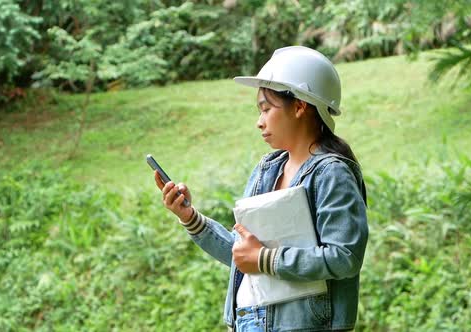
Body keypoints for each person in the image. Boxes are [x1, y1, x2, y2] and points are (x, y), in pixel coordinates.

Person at [154, 46, 368, 332]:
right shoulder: (267, 169)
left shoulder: (332, 173)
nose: (259, 121)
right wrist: (189, 217)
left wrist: (265, 259)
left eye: (267, 109)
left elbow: (344, 257)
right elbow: (242, 254)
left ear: (300, 106)